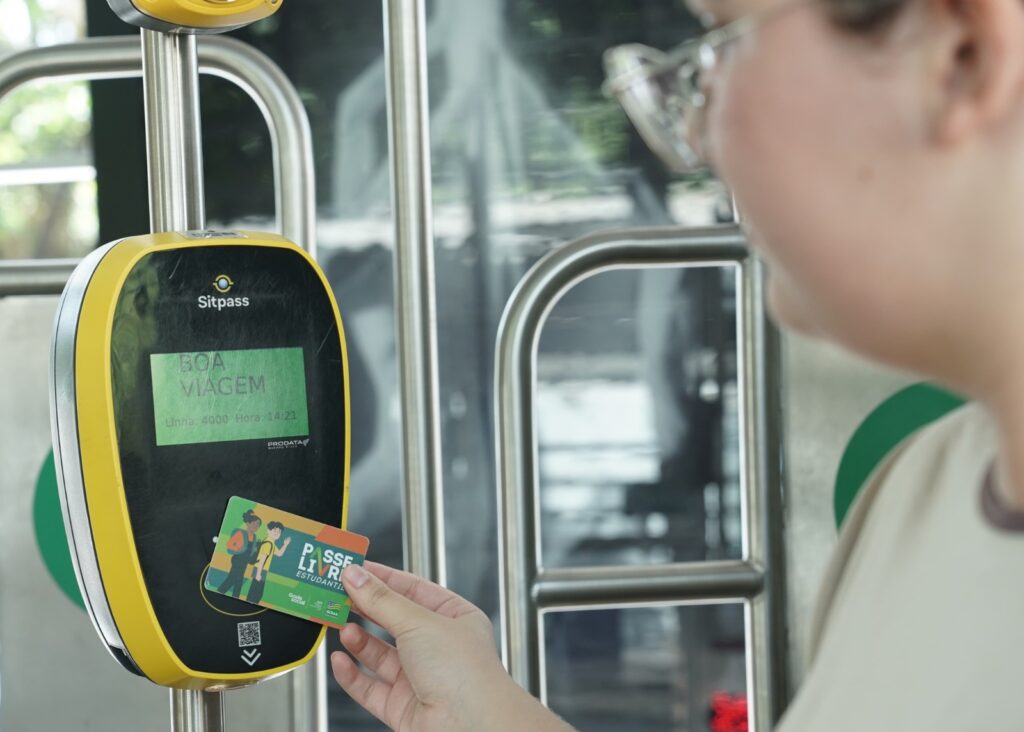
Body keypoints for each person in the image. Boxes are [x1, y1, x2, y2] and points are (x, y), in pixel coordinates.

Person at [332, 0, 1024, 729]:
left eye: (718, 45)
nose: (694, 132)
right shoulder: (919, 493)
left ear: (962, 52)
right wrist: (481, 716)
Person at [217, 509, 262, 598]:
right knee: (233, 579)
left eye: (258, 525)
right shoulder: (240, 533)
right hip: (238, 559)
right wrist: (239, 548)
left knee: (237, 580)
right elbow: (229, 545)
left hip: (245, 561)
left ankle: (231, 595)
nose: (256, 526)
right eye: (254, 523)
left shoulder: (254, 536)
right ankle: (223, 593)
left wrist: (257, 547)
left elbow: (251, 551)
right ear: (248, 523)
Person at [246, 520, 292, 605]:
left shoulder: (271, 542)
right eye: (274, 530)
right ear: (268, 531)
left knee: (256, 592)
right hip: (260, 569)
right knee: (256, 594)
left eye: (279, 532)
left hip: (261, 570)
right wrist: (258, 574)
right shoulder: (268, 544)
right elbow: (262, 560)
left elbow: (279, 554)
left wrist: (285, 544)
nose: (277, 533)